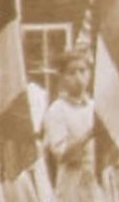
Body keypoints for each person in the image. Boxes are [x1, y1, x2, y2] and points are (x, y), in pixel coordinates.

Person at [42, 50, 104, 202]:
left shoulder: (95, 107)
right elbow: (63, 155)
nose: (78, 78)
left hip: (97, 185)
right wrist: (90, 133)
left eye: (82, 71)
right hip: (72, 187)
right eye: (71, 73)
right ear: (61, 77)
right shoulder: (57, 110)